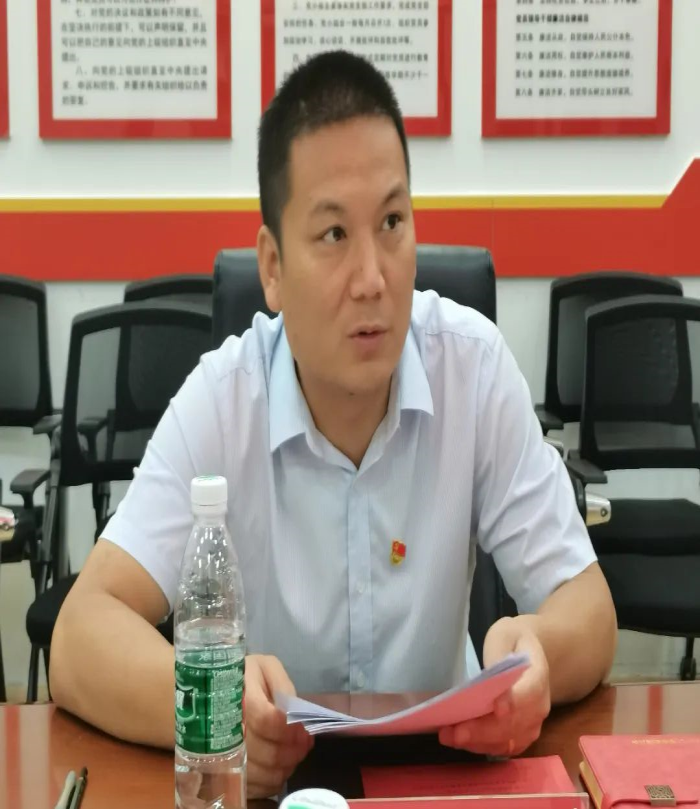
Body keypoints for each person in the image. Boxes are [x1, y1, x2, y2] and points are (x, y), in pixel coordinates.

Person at [50, 51, 617, 798]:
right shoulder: (223, 400)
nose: (373, 279)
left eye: (392, 222)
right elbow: (79, 634)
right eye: (333, 235)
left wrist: (541, 655)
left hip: (441, 778)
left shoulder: (471, 368)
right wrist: (217, 709)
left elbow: (590, 610)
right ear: (272, 267)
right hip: (273, 788)